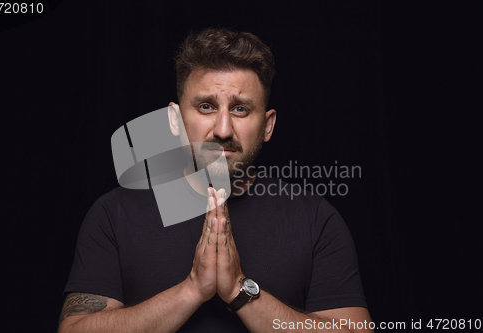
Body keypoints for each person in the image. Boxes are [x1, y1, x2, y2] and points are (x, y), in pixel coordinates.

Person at [58, 28, 373, 333]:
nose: (223, 130)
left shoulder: (316, 219)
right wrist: (192, 290)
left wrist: (240, 292)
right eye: (206, 106)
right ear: (175, 119)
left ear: (267, 125)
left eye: (240, 109)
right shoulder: (115, 214)